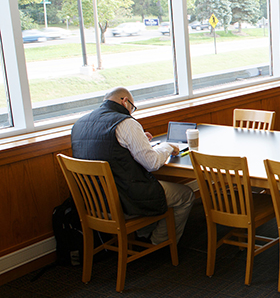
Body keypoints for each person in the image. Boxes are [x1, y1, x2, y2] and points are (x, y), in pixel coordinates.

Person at [71, 87, 194, 244]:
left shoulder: (79, 124)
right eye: (132, 108)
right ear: (124, 101)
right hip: (124, 202)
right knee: (186, 195)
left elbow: (108, 150)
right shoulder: (125, 123)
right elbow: (153, 163)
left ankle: (144, 235)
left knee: (144, 185)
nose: (131, 112)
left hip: (93, 204)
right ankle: (160, 242)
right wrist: (168, 145)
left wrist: (139, 139)